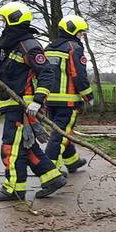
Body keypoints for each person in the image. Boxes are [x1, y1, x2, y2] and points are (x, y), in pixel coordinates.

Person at [0, 2, 67, 202]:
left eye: (4, 19)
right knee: (25, 147)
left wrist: (38, 100)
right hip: (12, 104)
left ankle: (13, 189)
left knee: (11, 148)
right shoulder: (7, 42)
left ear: (12, 20)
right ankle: (52, 177)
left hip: (24, 107)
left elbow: (46, 73)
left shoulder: (29, 46)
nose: (2, 23)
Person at [43, 14, 94, 174]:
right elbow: (78, 75)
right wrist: (88, 96)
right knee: (60, 135)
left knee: (61, 131)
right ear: (72, 31)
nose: (81, 36)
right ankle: (51, 170)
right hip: (69, 101)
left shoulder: (49, 48)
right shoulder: (74, 48)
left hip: (49, 99)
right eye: (80, 32)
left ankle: (72, 161)